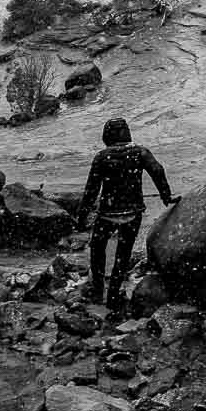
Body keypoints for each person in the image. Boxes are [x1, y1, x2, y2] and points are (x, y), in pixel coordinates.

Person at [77, 116, 179, 309]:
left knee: (97, 249)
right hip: (133, 212)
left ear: (106, 136)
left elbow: (91, 190)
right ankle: (114, 292)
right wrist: (166, 196)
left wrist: (81, 217)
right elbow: (157, 170)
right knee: (123, 254)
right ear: (128, 134)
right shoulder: (140, 152)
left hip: (107, 213)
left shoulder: (102, 157)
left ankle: (98, 290)